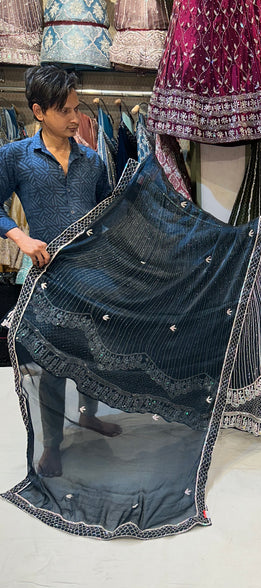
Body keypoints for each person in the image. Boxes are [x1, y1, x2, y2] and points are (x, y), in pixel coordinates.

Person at [0, 64, 121, 477]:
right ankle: (52, 444)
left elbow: (107, 212)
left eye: (76, 108)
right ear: (38, 111)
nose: (76, 119)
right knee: (50, 365)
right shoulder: (15, 157)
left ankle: (88, 415)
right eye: (65, 111)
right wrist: (20, 237)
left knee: (93, 355)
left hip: (90, 276)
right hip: (46, 281)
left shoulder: (91, 160)